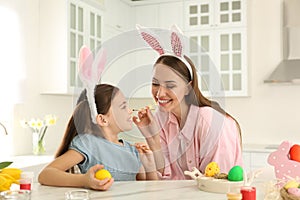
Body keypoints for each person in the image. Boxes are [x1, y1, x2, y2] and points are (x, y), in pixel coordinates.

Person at [38, 46, 157, 191]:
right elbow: (46, 174)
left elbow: (149, 189)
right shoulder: (89, 144)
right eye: (122, 106)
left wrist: (150, 165)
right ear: (102, 119)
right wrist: (84, 180)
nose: (130, 110)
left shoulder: (132, 150)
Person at [133, 25, 243, 180]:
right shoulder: (161, 117)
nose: (159, 93)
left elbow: (218, 183)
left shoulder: (210, 121)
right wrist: (152, 138)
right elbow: (163, 179)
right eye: (155, 83)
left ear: (188, 87)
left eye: (170, 85)